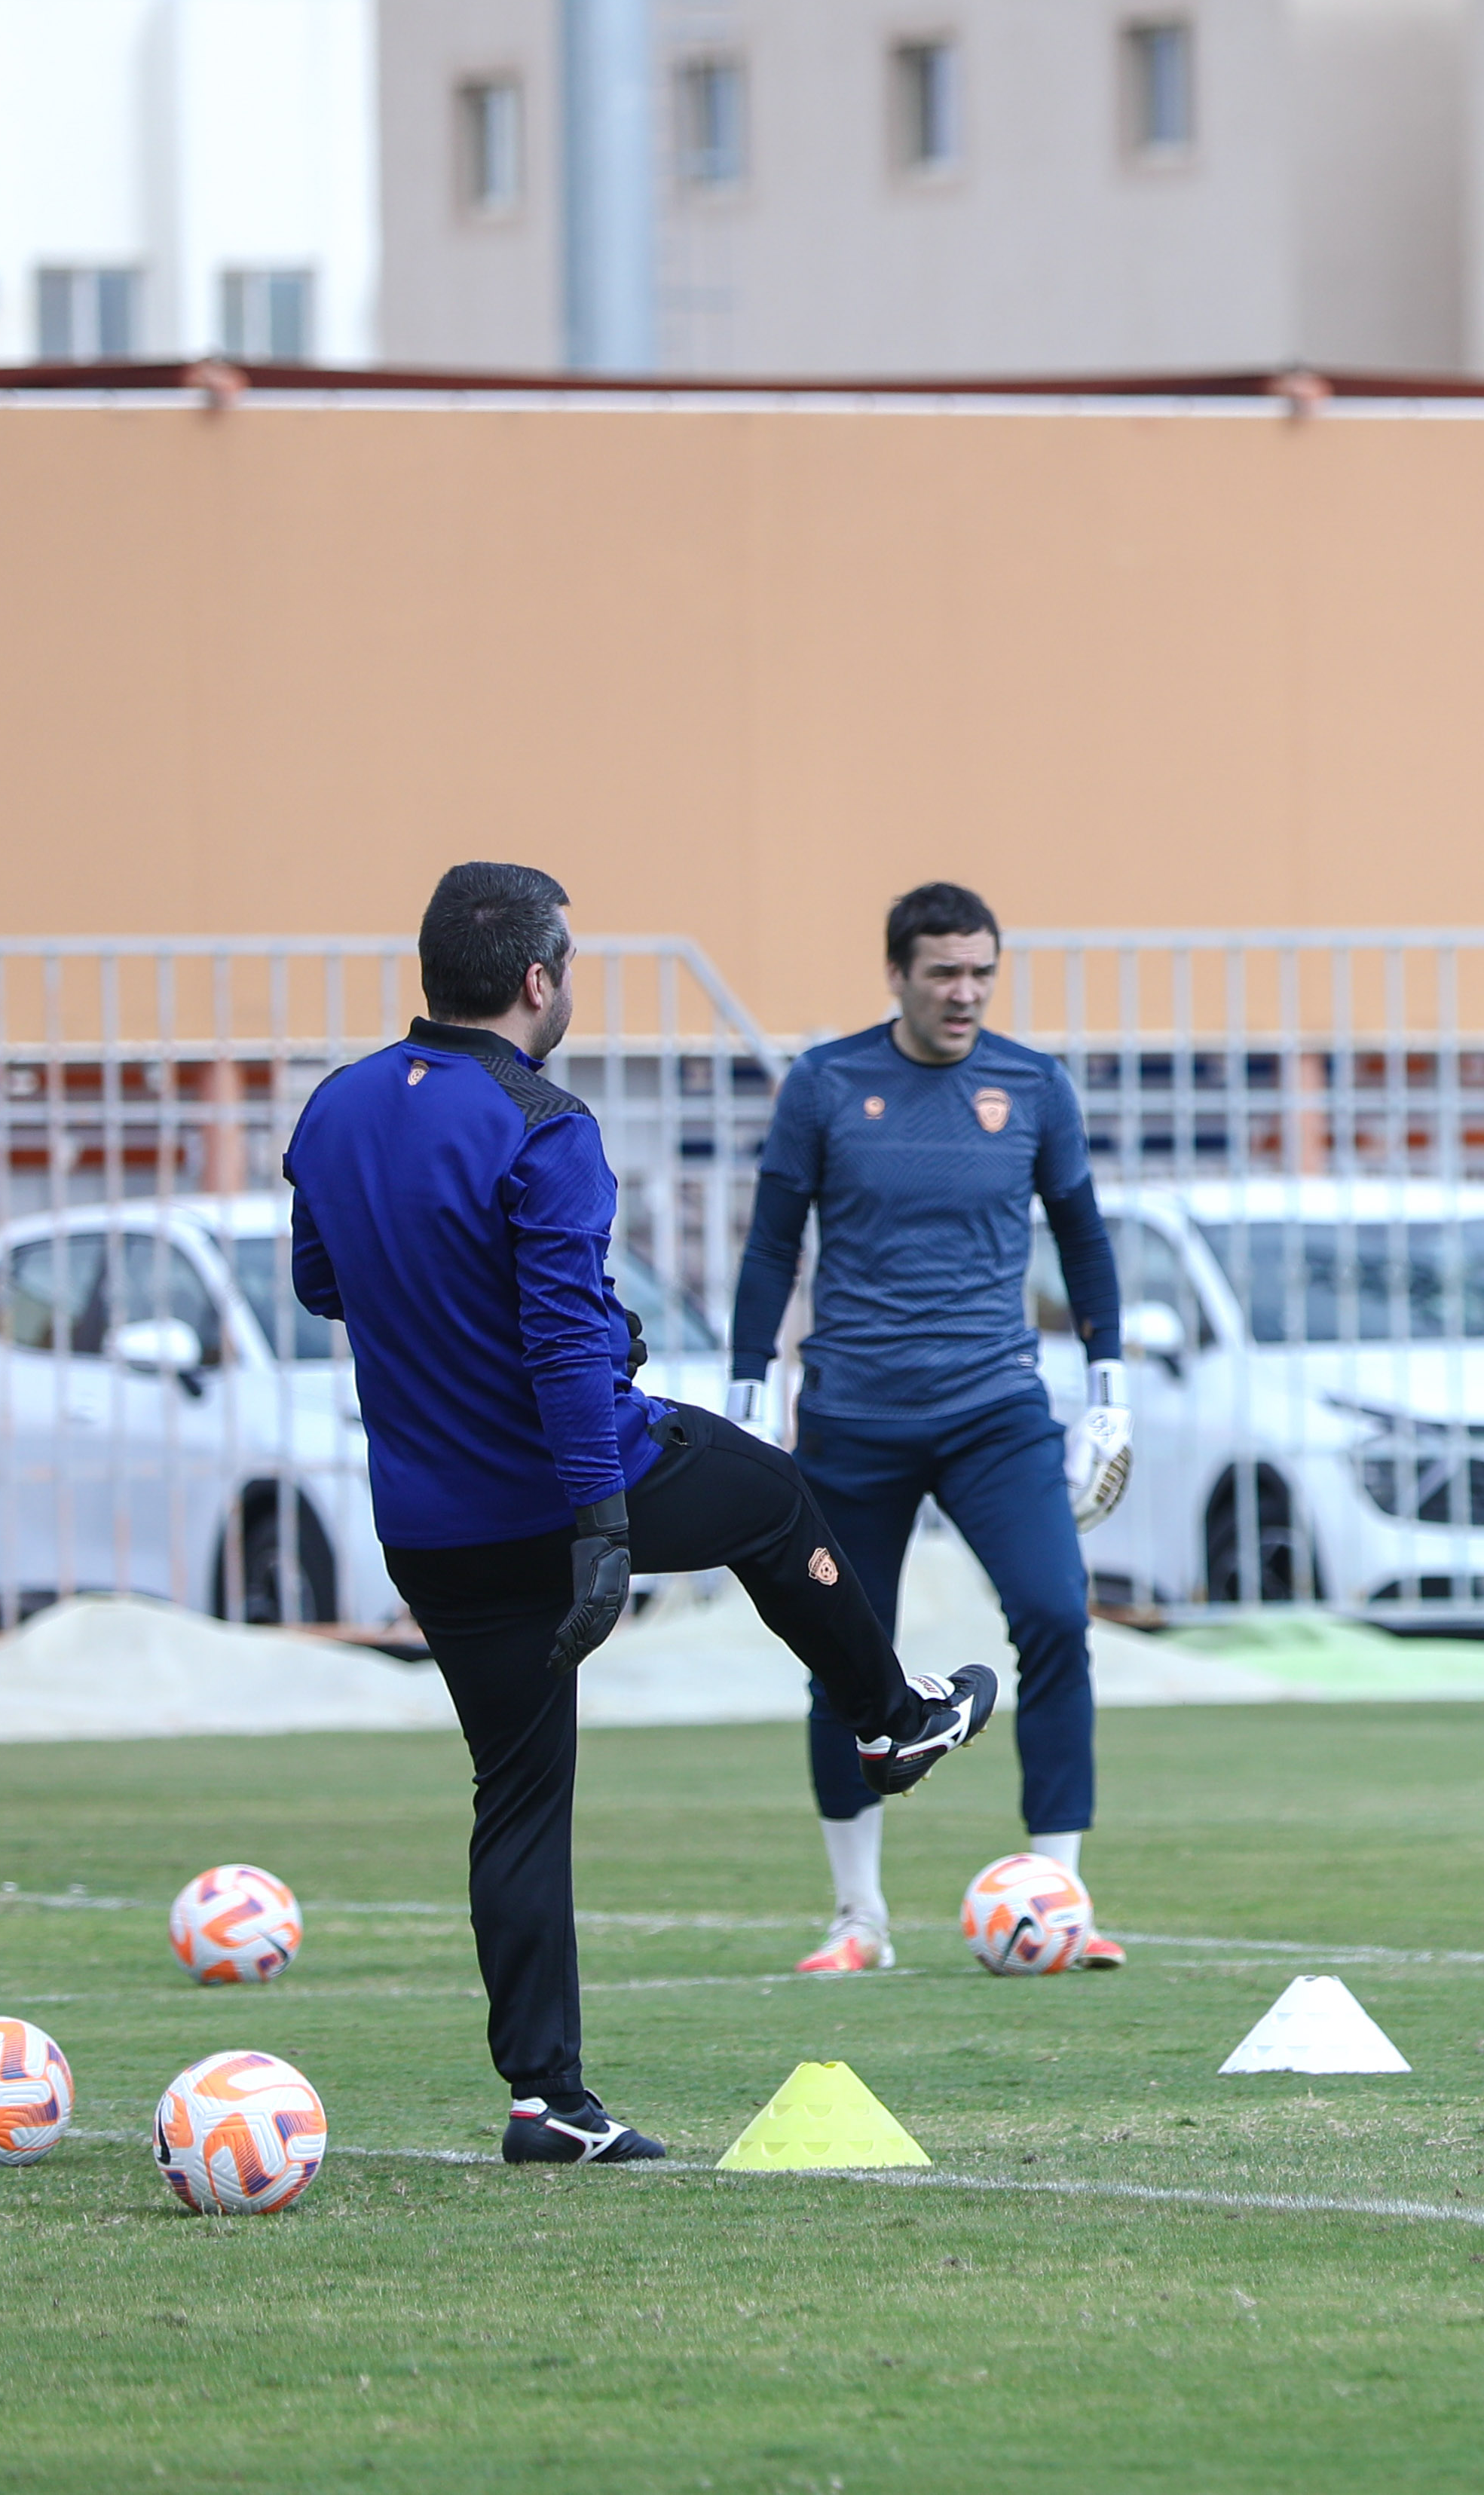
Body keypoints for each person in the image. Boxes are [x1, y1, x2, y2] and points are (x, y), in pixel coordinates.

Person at [284, 862, 997, 2160]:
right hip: (566, 1485)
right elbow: (564, 1339)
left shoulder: (334, 1109)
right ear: (537, 980)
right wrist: (605, 1528)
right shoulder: (541, 1122)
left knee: (517, 1796)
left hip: (428, 1524)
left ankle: (548, 2102)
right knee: (776, 1494)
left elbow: (322, 1284)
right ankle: (890, 1726)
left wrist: (433, 1316)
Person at [724, 882, 1135, 1977]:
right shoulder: (825, 1084)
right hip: (852, 1417)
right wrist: (748, 1385)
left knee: (1054, 1616)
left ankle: (1061, 1894)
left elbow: (1084, 1242)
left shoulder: (1033, 1086)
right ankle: (859, 1918)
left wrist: (1109, 1385)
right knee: (841, 1659)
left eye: (981, 973)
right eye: (944, 972)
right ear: (898, 974)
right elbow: (772, 1246)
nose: (965, 994)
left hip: (996, 1412)